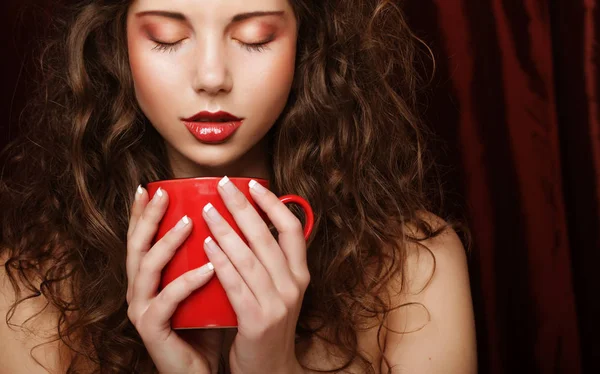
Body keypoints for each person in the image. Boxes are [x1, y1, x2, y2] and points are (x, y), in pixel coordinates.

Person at [0, 0, 477, 373]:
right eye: (167, 37)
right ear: (115, 47)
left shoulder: (415, 269)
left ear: (309, 45)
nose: (212, 78)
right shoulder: (30, 292)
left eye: (255, 37)